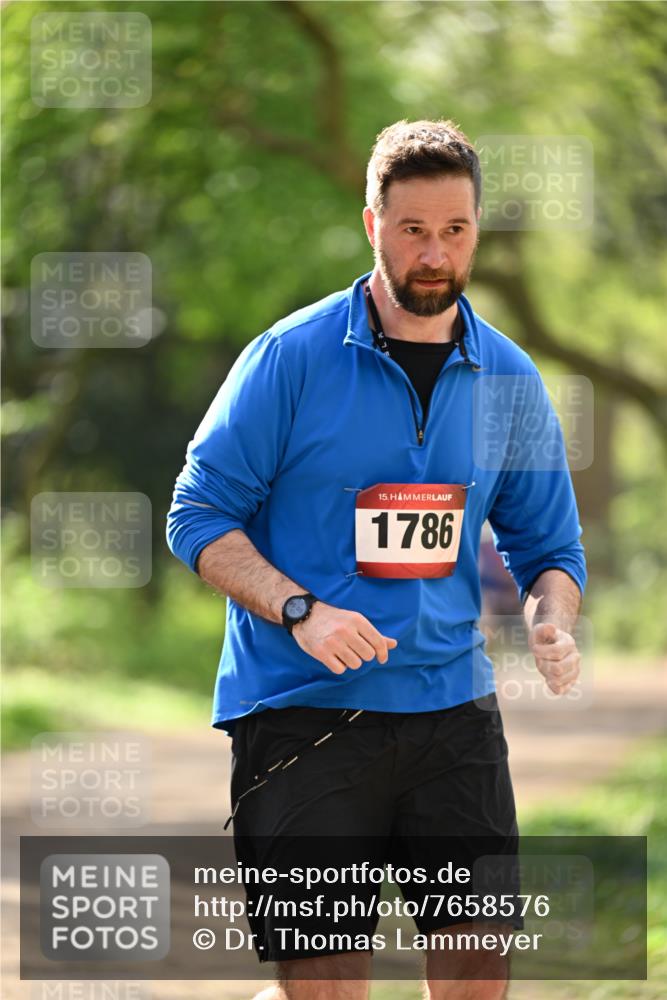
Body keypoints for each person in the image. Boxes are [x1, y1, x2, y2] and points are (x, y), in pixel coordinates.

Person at [166, 119, 586, 1000]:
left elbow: (548, 547)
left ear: (476, 230)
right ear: (372, 225)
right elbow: (198, 516)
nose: (435, 254)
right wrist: (299, 611)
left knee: (477, 973)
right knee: (323, 982)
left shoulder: (509, 379)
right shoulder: (289, 358)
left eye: (455, 230)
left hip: (451, 714)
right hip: (301, 715)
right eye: (412, 230)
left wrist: (553, 618)